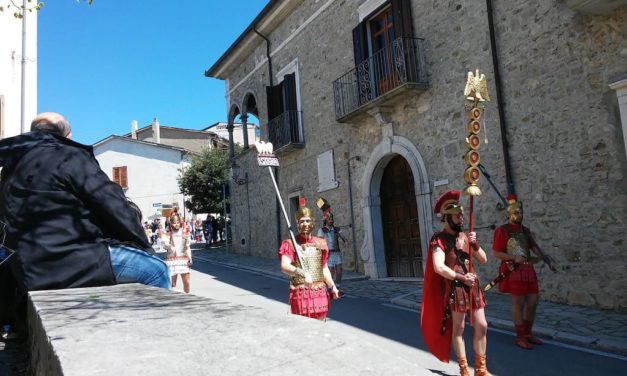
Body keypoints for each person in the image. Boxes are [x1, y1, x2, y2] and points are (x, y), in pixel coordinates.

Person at [0, 112, 170, 338]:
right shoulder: (69, 155)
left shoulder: (12, 167)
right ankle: (159, 339)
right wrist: (142, 244)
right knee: (156, 270)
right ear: (67, 135)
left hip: (31, 270)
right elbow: (112, 204)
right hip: (74, 261)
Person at [421, 190, 491, 376]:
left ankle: (481, 369)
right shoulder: (439, 239)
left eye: (461, 215)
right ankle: (463, 369)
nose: (461, 219)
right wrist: (461, 278)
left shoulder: (466, 237)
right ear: (447, 217)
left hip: (473, 286)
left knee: (482, 326)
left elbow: (483, 259)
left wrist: (475, 245)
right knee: (458, 328)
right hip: (456, 287)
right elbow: (438, 267)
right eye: (457, 216)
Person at [492, 194, 553, 350]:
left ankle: (528, 333)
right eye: (517, 212)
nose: (520, 215)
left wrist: (546, 259)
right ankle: (520, 336)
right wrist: (513, 257)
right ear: (509, 214)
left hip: (528, 269)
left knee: (532, 302)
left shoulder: (525, 231)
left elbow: (533, 247)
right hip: (514, 270)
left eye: (521, 212)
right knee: (518, 304)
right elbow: (497, 252)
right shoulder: (502, 230)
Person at [278, 199, 340, 320]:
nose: (305, 224)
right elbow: (284, 266)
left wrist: (332, 287)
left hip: (320, 293)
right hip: (301, 293)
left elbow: (324, 268)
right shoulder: (290, 243)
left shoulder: (321, 243)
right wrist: (303, 273)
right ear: (297, 223)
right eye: (302, 221)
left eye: (307, 220)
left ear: (312, 222)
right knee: (302, 329)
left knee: (320, 326)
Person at [316, 211, 347, 292]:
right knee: (330, 272)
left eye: (332, 219)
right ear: (326, 220)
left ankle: (338, 287)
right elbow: (319, 241)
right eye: (329, 219)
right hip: (328, 253)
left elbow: (344, 238)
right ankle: (330, 288)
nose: (331, 220)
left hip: (337, 253)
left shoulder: (337, 229)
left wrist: (345, 242)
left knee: (339, 271)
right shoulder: (322, 230)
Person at [162, 213, 192, 293]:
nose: (176, 225)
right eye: (174, 223)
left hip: (183, 260)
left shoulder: (185, 233)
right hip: (172, 261)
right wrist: (170, 246)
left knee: (187, 282)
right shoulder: (168, 234)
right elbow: (164, 245)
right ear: (171, 224)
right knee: (173, 285)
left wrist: (190, 259)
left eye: (178, 222)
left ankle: (187, 297)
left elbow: (188, 247)